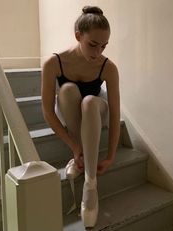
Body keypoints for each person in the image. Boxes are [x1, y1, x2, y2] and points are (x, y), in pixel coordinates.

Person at [41, 5, 120, 228]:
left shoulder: (108, 67)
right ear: (78, 36)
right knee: (66, 90)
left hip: (96, 109)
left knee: (88, 102)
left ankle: (90, 184)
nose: (98, 52)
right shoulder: (53, 63)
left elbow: (114, 114)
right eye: (92, 45)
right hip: (68, 112)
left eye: (103, 46)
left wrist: (111, 155)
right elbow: (47, 111)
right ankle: (81, 156)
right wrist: (74, 146)